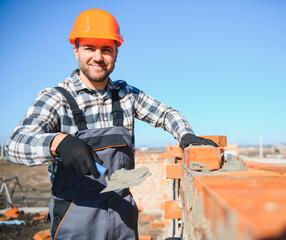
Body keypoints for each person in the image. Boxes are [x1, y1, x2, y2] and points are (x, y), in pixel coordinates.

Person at [5, 9, 217, 240]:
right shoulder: (56, 98)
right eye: (89, 48)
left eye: (106, 49)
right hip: (75, 217)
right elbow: (14, 144)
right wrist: (58, 142)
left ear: (116, 52)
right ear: (75, 50)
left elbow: (167, 114)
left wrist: (185, 135)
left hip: (122, 214)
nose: (98, 57)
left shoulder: (127, 95)